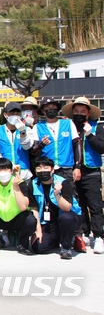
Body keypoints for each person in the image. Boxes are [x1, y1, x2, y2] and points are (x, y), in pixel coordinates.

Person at [61, 97, 104, 254]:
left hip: (91, 171)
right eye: (76, 111)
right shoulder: (69, 126)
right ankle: (85, 232)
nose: (79, 114)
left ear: (88, 113)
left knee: (95, 204)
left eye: (82, 112)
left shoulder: (97, 127)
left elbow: (101, 148)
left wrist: (90, 135)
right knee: (79, 203)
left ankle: (99, 235)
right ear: (72, 113)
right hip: (73, 170)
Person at [0, 158, 38, 255]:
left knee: (31, 220)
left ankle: (23, 244)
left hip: (17, 218)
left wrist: (16, 186)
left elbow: (24, 207)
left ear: (11, 171)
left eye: (6, 169)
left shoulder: (20, 182)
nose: (3, 172)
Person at [29, 156, 82, 259]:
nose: (42, 170)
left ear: (52, 169)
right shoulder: (33, 184)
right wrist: (38, 230)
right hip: (48, 221)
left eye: (46, 168)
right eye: (39, 168)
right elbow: (34, 209)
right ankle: (55, 239)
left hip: (69, 216)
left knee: (66, 218)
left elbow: (67, 208)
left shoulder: (63, 182)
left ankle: (66, 247)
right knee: (38, 248)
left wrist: (57, 194)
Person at [32, 97, 81, 186]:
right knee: (49, 196)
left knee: (69, 196)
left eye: (53, 107)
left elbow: (77, 144)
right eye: (48, 108)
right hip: (47, 168)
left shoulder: (68, 123)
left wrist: (77, 167)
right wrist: (41, 144)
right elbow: (33, 151)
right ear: (43, 111)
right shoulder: (38, 127)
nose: (51, 110)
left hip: (66, 167)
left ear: (57, 109)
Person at [0, 102, 34, 181]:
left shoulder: (28, 130)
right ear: (6, 115)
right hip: (4, 171)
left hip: (23, 171)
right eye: (12, 113)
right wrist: (6, 163)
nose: (15, 115)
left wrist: (23, 132)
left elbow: (27, 147)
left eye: (17, 113)